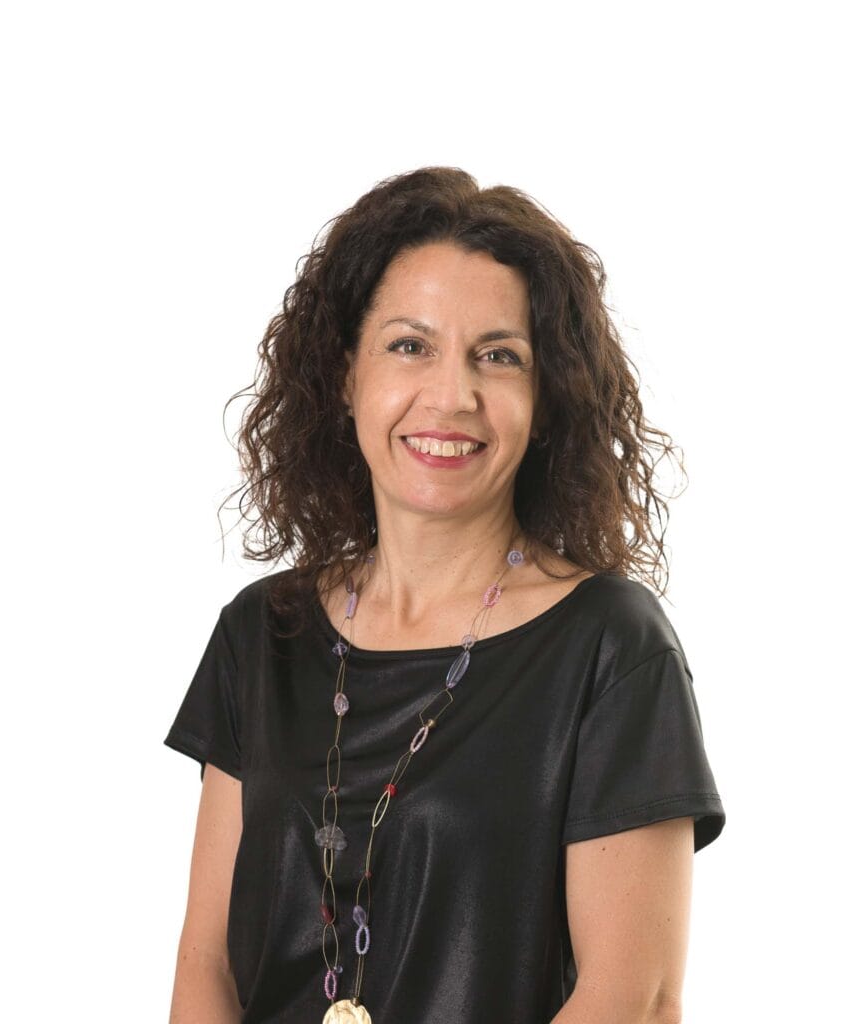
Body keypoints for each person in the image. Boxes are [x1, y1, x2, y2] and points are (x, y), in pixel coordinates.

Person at [164, 166, 725, 1024]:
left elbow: (633, 999)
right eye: (409, 346)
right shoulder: (261, 634)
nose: (452, 396)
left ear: (546, 400)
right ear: (345, 375)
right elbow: (206, 967)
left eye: (498, 356)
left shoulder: (611, 647)